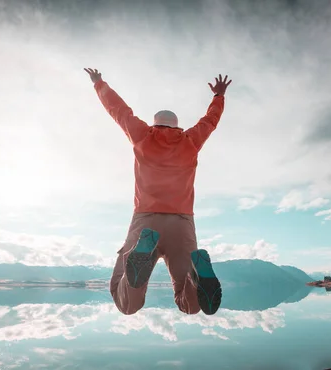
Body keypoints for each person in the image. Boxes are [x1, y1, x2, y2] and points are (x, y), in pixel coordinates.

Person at [84, 68, 231, 315]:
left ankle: (137, 272)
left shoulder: (143, 135)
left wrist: (99, 83)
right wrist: (218, 96)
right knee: (190, 306)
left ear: (155, 123)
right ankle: (196, 278)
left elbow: (119, 111)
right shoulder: (190, 141)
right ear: (177, 125)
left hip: (146, 221)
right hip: (181, 223)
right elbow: (210, 122)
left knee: (127, 305)